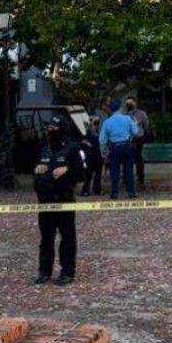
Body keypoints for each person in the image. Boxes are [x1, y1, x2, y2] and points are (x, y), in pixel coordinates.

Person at [34, 115, 86, 285]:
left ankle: (67, 272)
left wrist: (67, 172)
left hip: (64, 200)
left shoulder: (72, 148)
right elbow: (37, 175)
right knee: (46, 239)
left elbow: (82, 174)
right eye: (49, 128)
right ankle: (44, 271)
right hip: (45, 201)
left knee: (67, 238)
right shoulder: (45, 149)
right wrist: (37, 173)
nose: (51, 131)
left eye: (54, 128)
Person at [99, 99, 141, 199]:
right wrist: (135, 123)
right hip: (127, 145)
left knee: (114, 170)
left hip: (115, 147)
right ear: (120, 108)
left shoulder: (107, 122)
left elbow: (102, 139)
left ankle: (114, 193)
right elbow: (135, 132)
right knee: (129, 170)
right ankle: (131, 192)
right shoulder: (127, 119)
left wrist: (103, 150)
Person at [126, 97, 152, 188]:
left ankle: (140, 178)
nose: (129, 105)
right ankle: (128, 178)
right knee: (128, 159)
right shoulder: (125, 115)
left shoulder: (141, 114)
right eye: (128, 103)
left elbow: (146, 125)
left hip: (138, 138)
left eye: (131, 103)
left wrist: (142, 133)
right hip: (128, 139)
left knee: (138, 158)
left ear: (135, 103)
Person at [80, 117, 104, 196]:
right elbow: (83, 145)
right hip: (89, 158)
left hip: (97, 157)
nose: (95, 126)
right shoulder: (86, 135)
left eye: (97, 124)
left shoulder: (99, 135)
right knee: (88, 175)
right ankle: (85, 190)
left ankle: (97, 190)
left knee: (98, 175)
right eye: (95, 123)